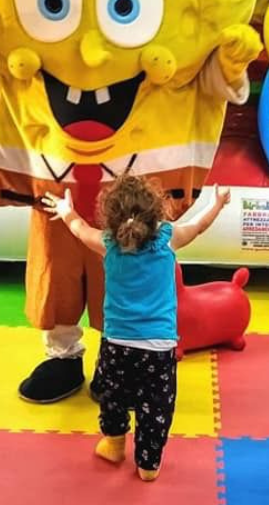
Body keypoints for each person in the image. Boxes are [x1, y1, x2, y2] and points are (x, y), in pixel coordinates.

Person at [43, 175, 230, 481]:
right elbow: (198, 226)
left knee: (113, 397)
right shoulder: (168, 237)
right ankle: (148, 463)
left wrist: (66, 210)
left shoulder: (108, 243)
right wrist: (217, 204)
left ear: (111, 215)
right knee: (156, 405)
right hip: (158, 347)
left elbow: (79, 229)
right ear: (157, 210)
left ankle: (115, 445)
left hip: (117, 344)